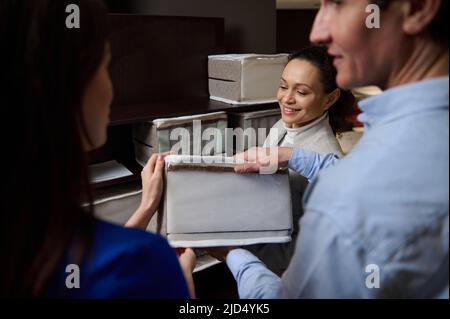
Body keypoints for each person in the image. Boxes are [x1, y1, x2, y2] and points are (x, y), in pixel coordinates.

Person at [211, 0, 449, 298]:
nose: (317, 31)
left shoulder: (346, 198)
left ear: (417, 8)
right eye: (284, 86)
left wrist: (233, 254)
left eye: (338, 3)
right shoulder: (286, 134)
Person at [0, 0, 196, 298]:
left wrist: (146, 206)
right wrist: (183, 285)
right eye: (105, 65)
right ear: (70, 85)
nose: (111, 88)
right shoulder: (144, 266)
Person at [247, 46, 355, 275]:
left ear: (330, 99)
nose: (286, 99)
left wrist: (241, 251)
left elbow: (312, 247)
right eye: (283, 86)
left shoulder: (327, 160)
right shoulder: (281, 127)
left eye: (302, 92)